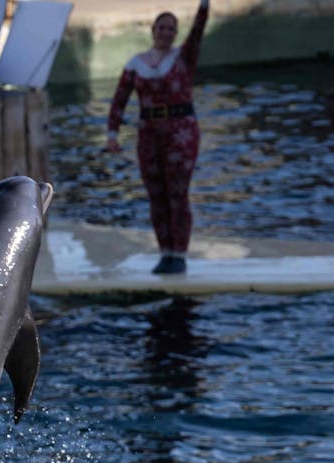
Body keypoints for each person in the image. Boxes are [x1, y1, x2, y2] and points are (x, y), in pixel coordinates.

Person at [105, 0, 209, 275]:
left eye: (171, 29)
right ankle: (165, 253)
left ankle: (179, 254)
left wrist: (204, 6)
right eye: (161, 27)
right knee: (156, 195)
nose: (165, 32)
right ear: (153, 30)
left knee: (177, 193)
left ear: (176, 33)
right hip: (148, 132)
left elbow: (198, 30)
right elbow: (119, 100)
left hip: (180, 131)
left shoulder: (183, 57)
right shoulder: (136, 64)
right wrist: (112, 134)